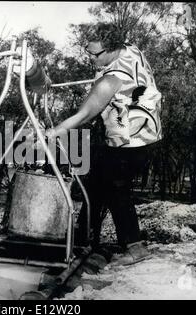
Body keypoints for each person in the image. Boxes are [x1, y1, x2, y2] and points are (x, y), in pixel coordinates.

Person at [45, 23, 162, 265]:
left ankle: (134, 248)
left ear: (110, 49)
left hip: (132, 141)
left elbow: (84, 115)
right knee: (97, 179)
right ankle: (84, 238)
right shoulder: (129, 48)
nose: (89, 58)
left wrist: (53, 132)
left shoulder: (112, 80)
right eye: (87, 51)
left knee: (114, 187)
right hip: (148, 132)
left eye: (94, 54)